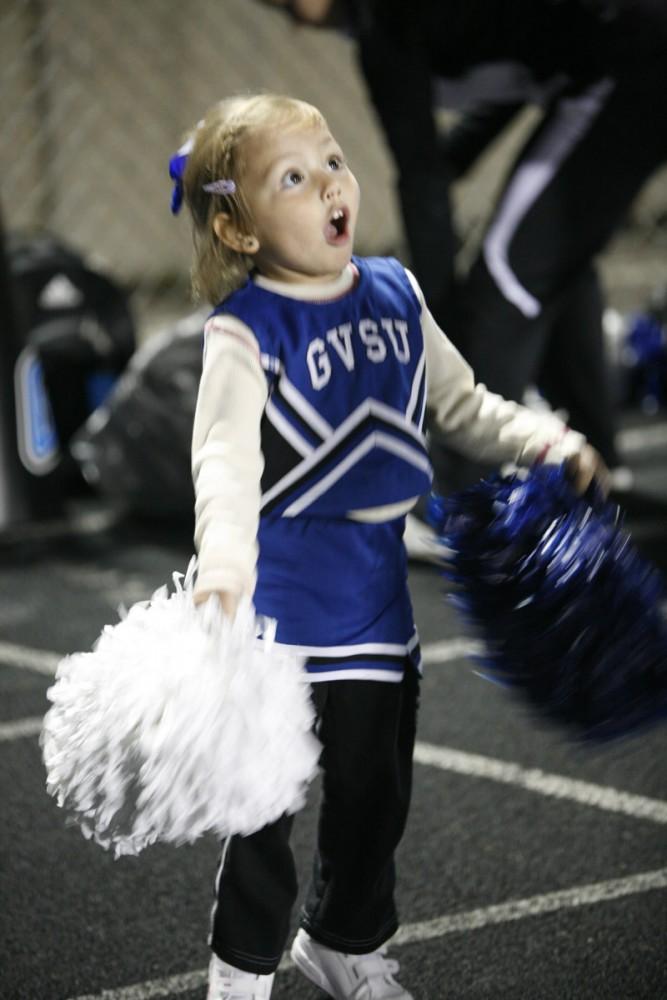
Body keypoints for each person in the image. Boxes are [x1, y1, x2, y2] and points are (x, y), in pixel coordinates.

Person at [170, 93, 606, 1000]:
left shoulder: (396, 295)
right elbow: (221, 461)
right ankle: (240, 972)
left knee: (374, 802)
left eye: (332, 160)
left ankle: (340, 945)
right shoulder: (242, 332)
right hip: (276, 623)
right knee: (261, 813)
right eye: (292, 177)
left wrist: (543, 440)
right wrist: (220, 565)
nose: (330, 183)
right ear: (236, 226)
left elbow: (463, 405)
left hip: (376, 617)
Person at [263, 0, 667, 499]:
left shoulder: (388, 22)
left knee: (505, 283)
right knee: (543, 266)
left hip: (633, 62)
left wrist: (440, 324)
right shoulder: (394, 25)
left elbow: (422, 183)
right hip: (614, 65)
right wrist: (455, 161)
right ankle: (601, 469)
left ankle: (461, 500)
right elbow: (522, 70)